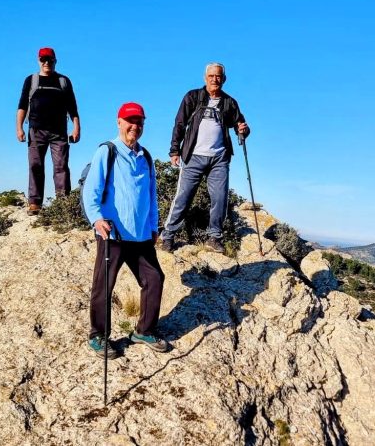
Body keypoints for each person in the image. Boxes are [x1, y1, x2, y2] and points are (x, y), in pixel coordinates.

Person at [83, 102, 169, 359]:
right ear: (119, 122)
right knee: (104, 285)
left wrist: (153, 226)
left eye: (139, 122)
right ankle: (98, 335)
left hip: (141, 235)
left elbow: (151, 195)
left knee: (154, 279)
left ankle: (144, 330)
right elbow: (91, 190)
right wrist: (97, 219)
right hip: (113, 234)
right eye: (130, 121)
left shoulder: (146, 157)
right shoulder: (107, 151)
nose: (135, 126)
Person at [159, 62, 251, 253]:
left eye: (218, 76)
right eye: (211, 76)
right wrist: (174, 151)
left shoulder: (229, 102)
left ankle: (214, 237)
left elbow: (240, 125)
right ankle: (168, 235)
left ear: (224, 79)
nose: (214, 79)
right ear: (205, 78)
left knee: (220, 198)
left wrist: (243, 130)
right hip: (193, 156)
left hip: (219, 158)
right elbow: (179, 123)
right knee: (183, 197)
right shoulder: (193, 97)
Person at [16, 47, 81, 216]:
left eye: (50, 60)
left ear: (55, 61)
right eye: (43, 59)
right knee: (35, 166)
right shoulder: (31, 80)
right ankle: (35, 203)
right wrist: (19, 128)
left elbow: (72, 107)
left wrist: (76, 128)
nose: (46, 62)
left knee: (61, 166)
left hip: (59, 132)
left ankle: (63, 204)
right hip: (35, 130)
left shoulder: (63, 81)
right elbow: (22, 105)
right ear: (38, 60)